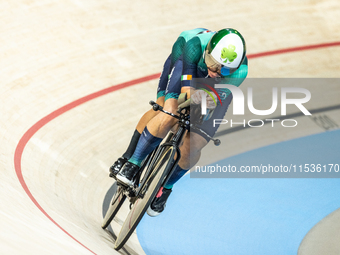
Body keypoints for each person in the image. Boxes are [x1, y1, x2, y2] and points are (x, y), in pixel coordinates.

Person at [111, 28, 248, 216]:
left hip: (213, 89)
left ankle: (165, 189)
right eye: (213, 65)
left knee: (195, 144)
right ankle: (131, 161)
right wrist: (192, 96)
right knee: (167, 111)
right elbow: (187, 91)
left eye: (224, 69)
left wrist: (206, 102)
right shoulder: (194, 47)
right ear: (207, 53)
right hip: (184, 63)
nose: (216, 72)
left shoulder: (239, 72)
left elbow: (214, 99)